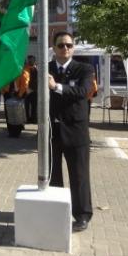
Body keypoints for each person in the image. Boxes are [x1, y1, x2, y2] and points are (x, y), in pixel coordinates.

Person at [48, 31, 94, 232]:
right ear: (54, 48)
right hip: (52, 131)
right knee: (52, 175)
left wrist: (56, 86)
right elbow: (32, 89)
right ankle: (56, 210)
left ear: (73, 48)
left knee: (79, 176)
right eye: (60, 45)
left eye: (68, 45)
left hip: (76, 131)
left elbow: (83, 92)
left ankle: (82, 215)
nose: (65, 48)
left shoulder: (83, 69)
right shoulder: (46, 68)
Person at [24, 55, 38, 123]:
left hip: (34, 91)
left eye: (31, 60)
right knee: (26, 106)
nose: (30, 61)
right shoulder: (25, 69)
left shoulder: (37, 69)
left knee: (34, 106)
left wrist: (32, 89)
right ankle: (27, 119)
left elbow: (37, 80)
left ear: (34, 61)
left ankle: (34, 119)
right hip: (26, 90)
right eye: (29, 60)